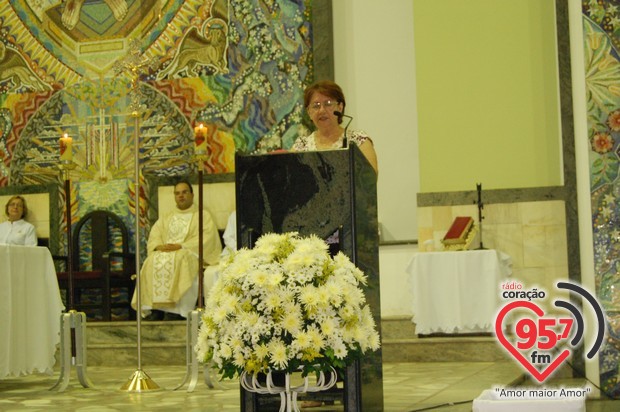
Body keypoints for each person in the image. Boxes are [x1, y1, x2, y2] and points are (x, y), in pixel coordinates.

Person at [131, 180, 222, 321]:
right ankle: (154, 308)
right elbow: (155, 235)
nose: (181, 196)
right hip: (166, 251)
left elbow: (207, 238)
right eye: (177, 193)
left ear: (192, 195)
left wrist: (181, 246)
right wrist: (159, 246)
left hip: (188, 253)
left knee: (180, 259)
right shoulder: (167, 216)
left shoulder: (202, 216)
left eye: (185, 192)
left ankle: (175, 310)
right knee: (151, 260)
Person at [291, 80, 378, 174]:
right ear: (309, 112)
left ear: (340, 107)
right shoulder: (301, 146)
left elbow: (369, 181)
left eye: (328, 104)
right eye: (316, 106)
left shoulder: (359, 141)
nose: (322, 110)